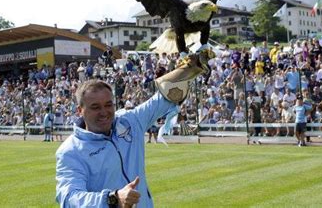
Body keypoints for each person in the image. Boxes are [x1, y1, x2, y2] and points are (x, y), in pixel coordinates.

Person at [55, 51, 212, 207]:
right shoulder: (70, 151)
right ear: (79, 110)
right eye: (95, 107)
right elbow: (69, 198)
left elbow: (162, 100)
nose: (104, 112)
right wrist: (113, 198)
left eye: (108, 105)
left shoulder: (130, 122)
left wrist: (189, 69)